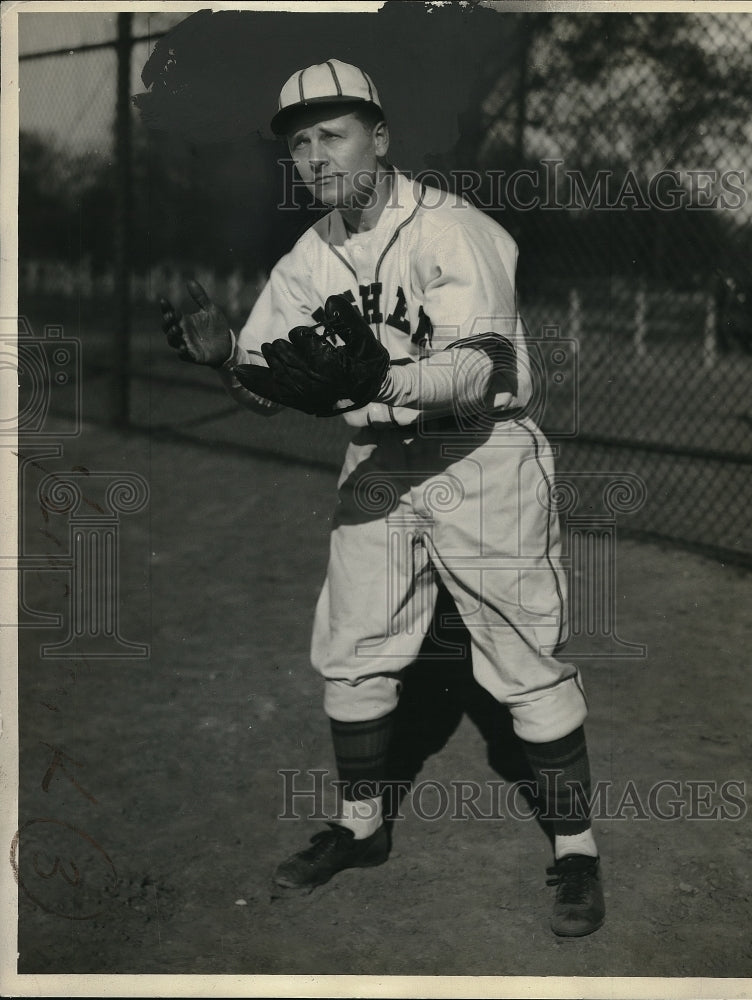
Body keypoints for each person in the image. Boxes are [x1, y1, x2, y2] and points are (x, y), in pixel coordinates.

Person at [160, 58, 605, 938]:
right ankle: (361, 830)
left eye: (333, 134)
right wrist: (229, 365)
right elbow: (275, 385)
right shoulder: (309, 256)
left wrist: (388, 375)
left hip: (480, 452)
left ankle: (578, 852)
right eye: (299, 145)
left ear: (381, 139)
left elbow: (488, 366)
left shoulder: (455, 230)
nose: (316, 156)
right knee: (353, 647)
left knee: (521, 660)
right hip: (381, 457)